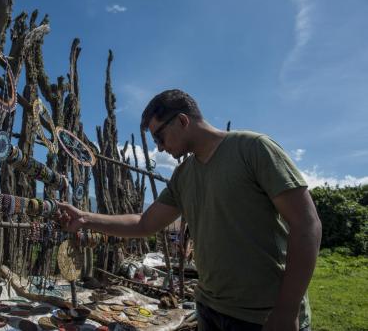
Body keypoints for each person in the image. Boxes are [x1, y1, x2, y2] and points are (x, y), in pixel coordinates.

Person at [56, 89, 322, 331]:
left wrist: (286, 311)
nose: (159, 146)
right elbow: (144, 224)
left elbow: (306, 225)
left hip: (263, 316)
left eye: (159, 136)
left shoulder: (253, 149)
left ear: (182, 120)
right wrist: (85, 218)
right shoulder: (184, 176)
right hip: (210, 310)